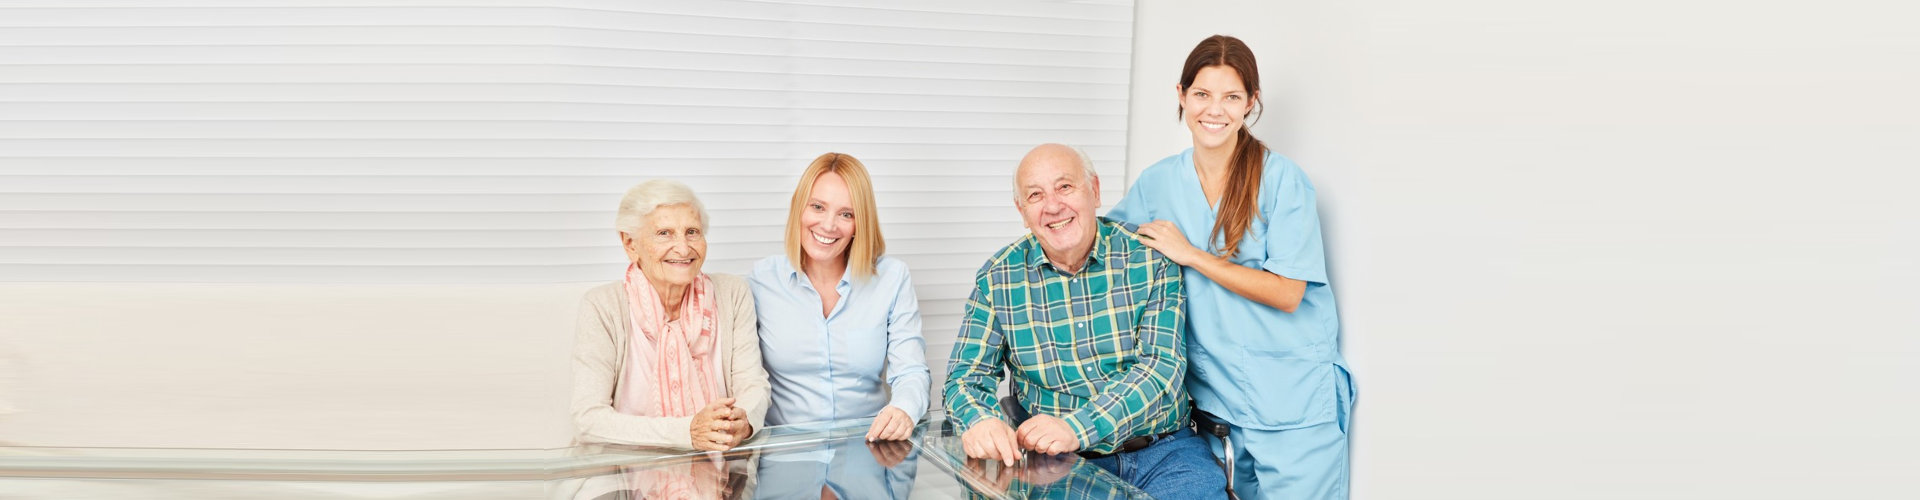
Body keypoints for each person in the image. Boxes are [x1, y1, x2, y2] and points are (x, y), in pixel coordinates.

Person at [1107, 35, 1355, 499]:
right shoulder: (1158, 182)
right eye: (1202, 94)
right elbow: (1105, 249)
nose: (1214, 110)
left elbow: (1287, 292)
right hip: (1217, 413)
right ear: (1181, 95)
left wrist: (1192, 255)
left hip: (1293, 405)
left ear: (1251, 103)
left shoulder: (1283, 181)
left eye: (1231, 97)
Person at [944, 143, 1226, 499]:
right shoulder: (998, 278)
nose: (1052, 206)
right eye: (1035, 195)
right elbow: (964, 377)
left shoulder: (1150, 259)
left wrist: (1077, 427)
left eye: (1065, 187)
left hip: (1165, 453)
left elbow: (1161, 370)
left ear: (1094, 191)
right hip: (1059, 464)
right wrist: (979, 419)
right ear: (1022, 211)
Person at [572, 179, 771, 451]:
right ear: (630, 244)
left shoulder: (732, 293)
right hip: (626, 478)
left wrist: (744, 420)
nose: (683, 247)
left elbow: (753, 384)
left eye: (692, 232)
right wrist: (686, 432)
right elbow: (588, 419)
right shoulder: (602, 306)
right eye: (664, 233)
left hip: (721, 473)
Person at [748, 153, 930, 441]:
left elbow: (911, 371)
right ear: (799, 209)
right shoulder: (762, 280)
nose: (829, 225)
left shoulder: (892, 278)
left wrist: (903, 409)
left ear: (861, 223)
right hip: (786, 458)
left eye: (846, 214)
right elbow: (745, 382)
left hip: (868, 450)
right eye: (818, 207)